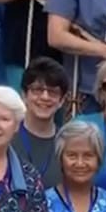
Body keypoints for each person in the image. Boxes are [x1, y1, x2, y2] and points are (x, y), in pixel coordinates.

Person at [11, 58, 69, 189]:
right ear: (24, 95)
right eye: (37, 90)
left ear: (62, 100)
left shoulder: (68, 144)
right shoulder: (6, 138)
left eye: (53, 91)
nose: (45, 97)